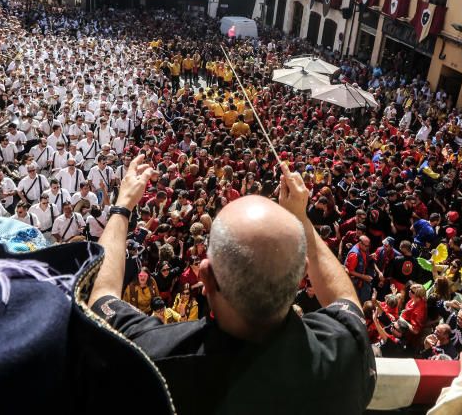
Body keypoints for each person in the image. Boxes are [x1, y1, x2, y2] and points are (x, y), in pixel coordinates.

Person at [88, 156, 376, 414]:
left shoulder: (152, 358)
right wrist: (301, 219)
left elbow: (101, 295)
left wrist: (122, 207)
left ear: (206, 277)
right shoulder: (343, 356)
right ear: (302, 275)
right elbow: (344, 297)